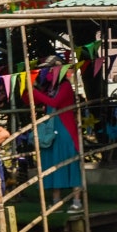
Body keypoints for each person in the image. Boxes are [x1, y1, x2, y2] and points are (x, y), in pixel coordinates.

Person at [32, 57, 82, 212]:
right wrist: (30, 88)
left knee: (71, 163)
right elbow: (32, 100)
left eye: (52, 69)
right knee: (53, 164)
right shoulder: (49, 88)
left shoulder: (66, 86)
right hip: (52, 132)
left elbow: (54, 103)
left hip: (66, 131)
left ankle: (77, 201)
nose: (49, 71)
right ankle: (56, 201)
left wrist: (34, 91)